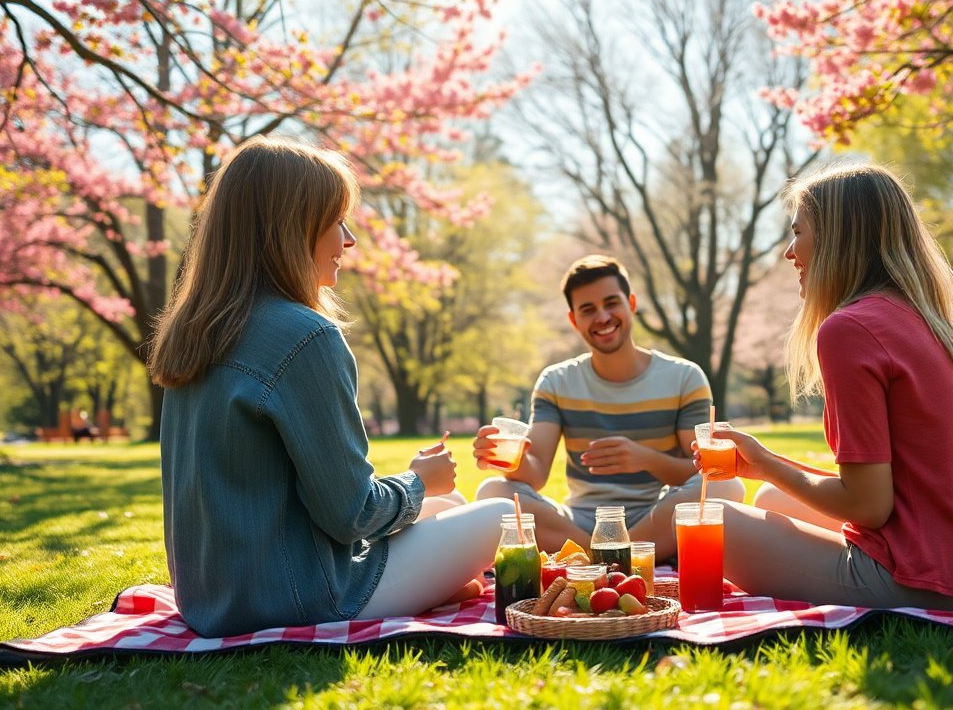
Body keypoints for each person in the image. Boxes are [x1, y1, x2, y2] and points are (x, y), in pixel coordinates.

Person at [148, 137, 510, 638]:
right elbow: (351, 514)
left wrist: (421, 496)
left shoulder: (196, 331)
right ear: (291, 227)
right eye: (336, 220)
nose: (349, 239)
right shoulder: (305, 336)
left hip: (213, 597)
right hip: (298, 595)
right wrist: (419, 481)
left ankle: (436, 585)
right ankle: (435, 589)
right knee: (497, 515)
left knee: (447, 512)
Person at [702, 163, 953, 611]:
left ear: (839, 238)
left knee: (714, 519)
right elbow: (896, 490)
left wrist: (766, 461)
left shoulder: (850, 329)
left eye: (799, 233)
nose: (789, 252)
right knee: (773, 496)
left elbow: (869, 506)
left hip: (922, 582)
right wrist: (764, 465)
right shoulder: (922, 317)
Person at [472, 255, 744, 562]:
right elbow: (534, 474)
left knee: (727, 486)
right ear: (574, 320)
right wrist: (505, 458)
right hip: (579, 523)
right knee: (493, 493)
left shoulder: (684, 377)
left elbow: (702, 469)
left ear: (631, 303)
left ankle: (600, 558)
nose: (602, 317)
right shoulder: (556, 381)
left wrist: (645, 459)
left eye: (611, 303)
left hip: (652, 517)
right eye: (588, 309)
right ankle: (613, 556)